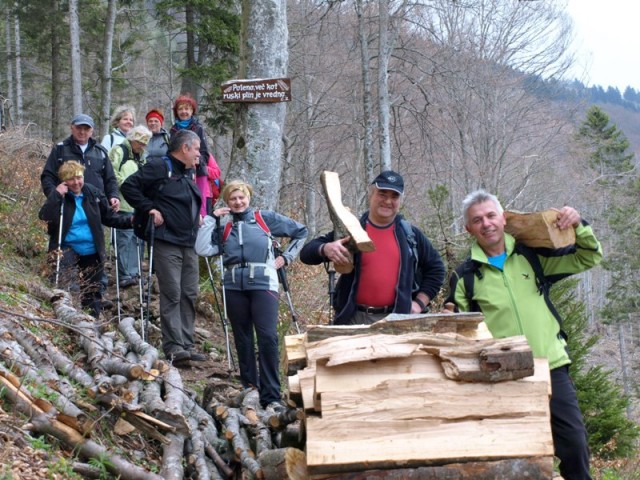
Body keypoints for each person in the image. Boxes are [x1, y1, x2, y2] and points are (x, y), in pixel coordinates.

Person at [446, 189, 602, 480]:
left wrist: (578, 224)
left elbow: (588, 257)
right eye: (477, 220)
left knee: (574, 447)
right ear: (469, 229)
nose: (487, 223)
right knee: (517, 455)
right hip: (503, 375)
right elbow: (459, 329)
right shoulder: (464, 277)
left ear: (504, 219)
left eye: (491, 215)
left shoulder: (533, 257)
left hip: (551, 366)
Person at [207, 180, 308, 409]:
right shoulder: (224, 225)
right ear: (227, 201)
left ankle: (271, 394)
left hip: (264, 283)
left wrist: (287, 258)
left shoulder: (265, 218)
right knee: (242, 337)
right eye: (233, 198)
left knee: (267, 337)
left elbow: (301, 232)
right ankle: (250, 389)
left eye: (241, 197)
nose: (238, 202)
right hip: (233, 285)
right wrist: (210, 220)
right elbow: (204, 247)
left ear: (248, 197)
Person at [300, 170, 445, 325]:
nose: (388, 201)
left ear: (400, 200)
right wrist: (325, 248)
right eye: (382, 194)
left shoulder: (410, 235)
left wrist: (419, 303)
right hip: (353, 319)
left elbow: (436, 269)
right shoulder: (352, 230)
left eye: (394, 196)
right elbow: (306, 254)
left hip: (396, 321)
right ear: (371, 194)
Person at [121, 129, 205, 366]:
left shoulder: (189, 172)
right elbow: (129, 186)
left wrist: (196, 215)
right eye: (196, 148)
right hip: (166, 240)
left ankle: (187, 344)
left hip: (189, 242)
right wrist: (149, 208)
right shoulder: (160, 166)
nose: (199, 153)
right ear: (185, 148)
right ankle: (173, 346)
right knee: (172, 293)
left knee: (189, 293)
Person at [39, 161, 132, 319]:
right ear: (64, 181)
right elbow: (44, 216)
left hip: (92, 249)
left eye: (79, 177)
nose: (76, 182)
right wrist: (56, 194)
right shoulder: (61, 196)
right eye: (71, 179)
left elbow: (109, 217)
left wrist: (131, 220)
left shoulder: (92, 193)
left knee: (93, 290)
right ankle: (66, 318)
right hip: (66, 247)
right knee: (67, 285)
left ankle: (92, 323)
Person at [41, 114, 120, 211]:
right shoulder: (60, 150)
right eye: (79, 128)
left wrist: (113, 196)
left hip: (96, 206)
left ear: (92, 131)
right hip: (67, 206)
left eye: (86, 129)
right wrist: (55, 194)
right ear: (72, 128)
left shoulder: (101, 152)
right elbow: (47, 176)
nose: (82, 132)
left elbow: (110, 179)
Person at [109, 125, 151, 288]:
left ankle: (135, 272)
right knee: (125, 239)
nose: (141, 146)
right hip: (122, 202)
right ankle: (125, 274)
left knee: (138, 238)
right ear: (132, 139)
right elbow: (112, 174)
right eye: (139, 142)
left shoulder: (142, 156)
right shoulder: (119, 151)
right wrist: (128, 187)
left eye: (144, 143)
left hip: (138, 204)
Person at [169, 94, 211, 217]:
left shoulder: (198, 128)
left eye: (187, 108)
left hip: (198, 172)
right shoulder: (173, 130)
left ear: (192, 111)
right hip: (179, 172)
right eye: (180, 109)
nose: (184, 112)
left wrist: (198, 160)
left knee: (199, 204)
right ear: (176, 112)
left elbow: (205, 153)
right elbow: (171, 151)